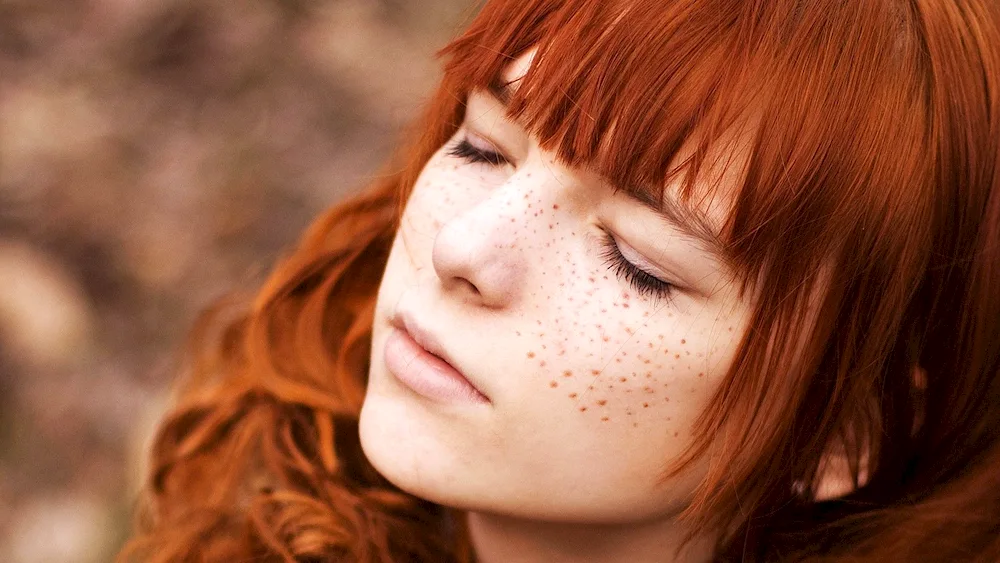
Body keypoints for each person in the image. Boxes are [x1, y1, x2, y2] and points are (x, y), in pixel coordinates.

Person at [118, 0, 1000, 561]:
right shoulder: (257, 493)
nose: (463, 247)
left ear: (844, 431)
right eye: (482, 145)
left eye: (638, 261)